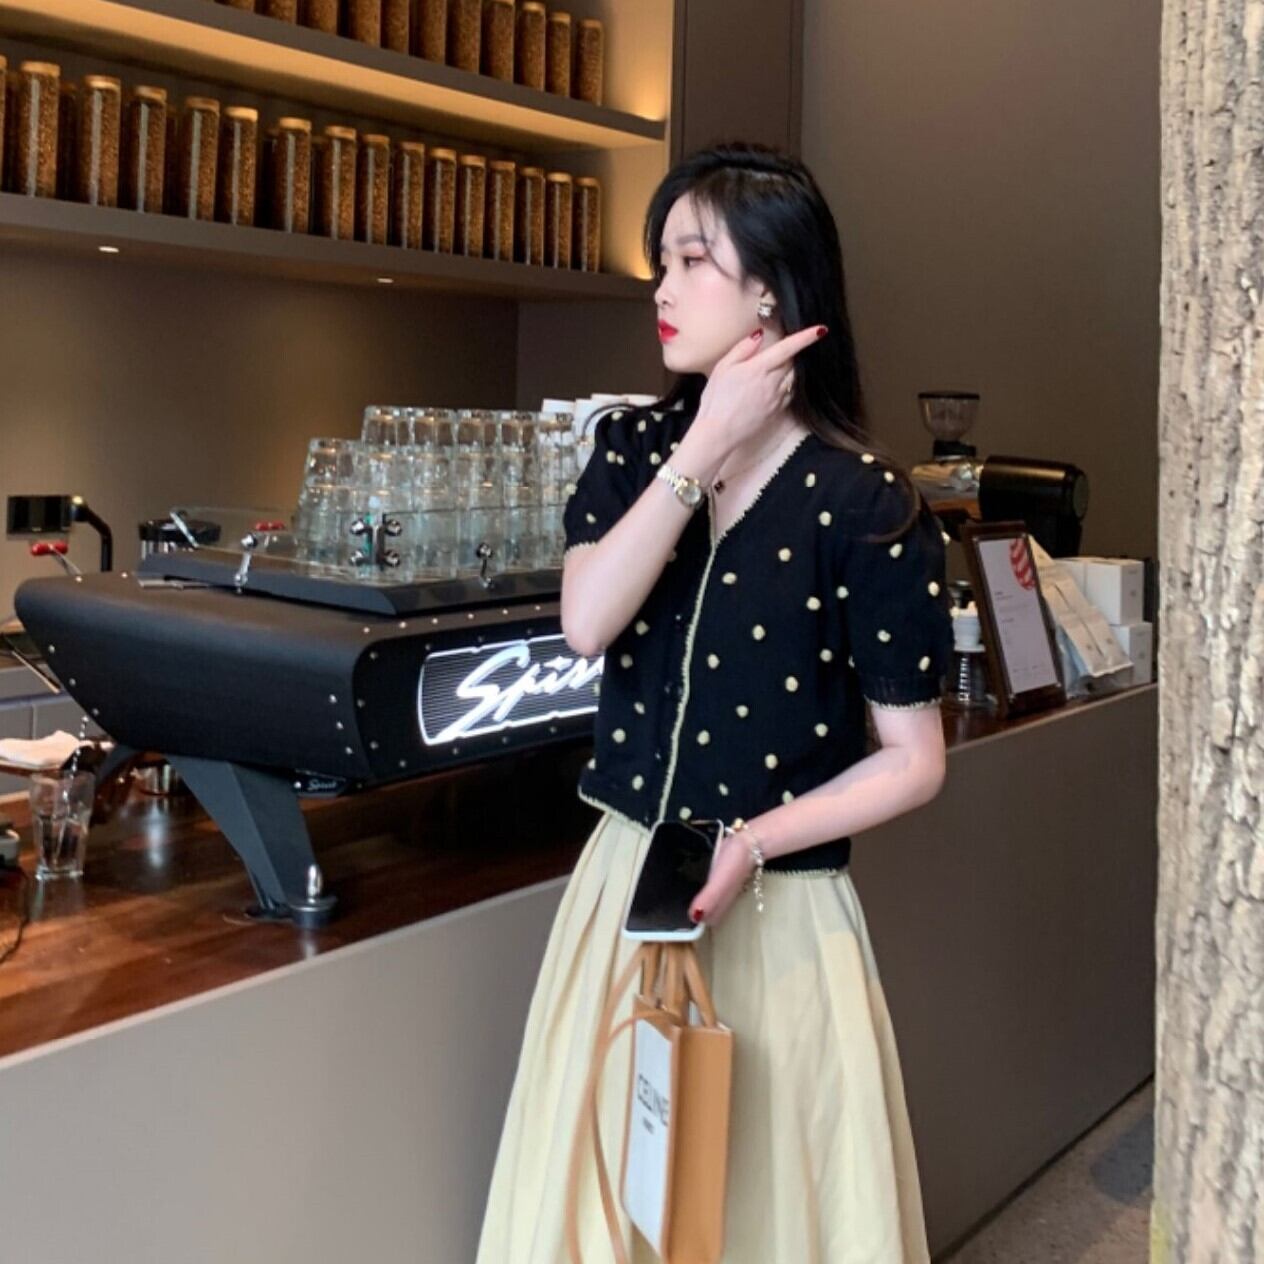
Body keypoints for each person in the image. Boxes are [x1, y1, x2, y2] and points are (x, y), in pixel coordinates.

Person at [476, 141, 954, 1263]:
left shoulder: (867, 503)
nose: (662, 285)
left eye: (692, 260)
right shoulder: (636, 449)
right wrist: (699, 449)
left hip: (782, 912)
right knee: (605, 1201)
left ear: (772, 292)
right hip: (626, 882)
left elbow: (914, 758)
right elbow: (587, 621)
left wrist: (753, 841)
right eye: (663, 260)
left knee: (764, 1211)